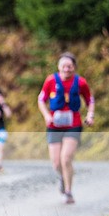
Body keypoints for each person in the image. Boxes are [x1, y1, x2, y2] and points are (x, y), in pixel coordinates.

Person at [37, 52, 95, 204]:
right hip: (54, 125)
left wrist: (90, 115)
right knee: (56, 163)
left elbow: (90, 100)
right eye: (64, 66)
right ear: (59, 67)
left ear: (74, 67)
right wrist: (46, 115)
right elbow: (41, 99)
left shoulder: (81, 82)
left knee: (66, 158)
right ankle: (63, 177)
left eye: (70, 66)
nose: (67, 69)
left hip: (73, 125)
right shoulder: (50, 81)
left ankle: (68, 192)